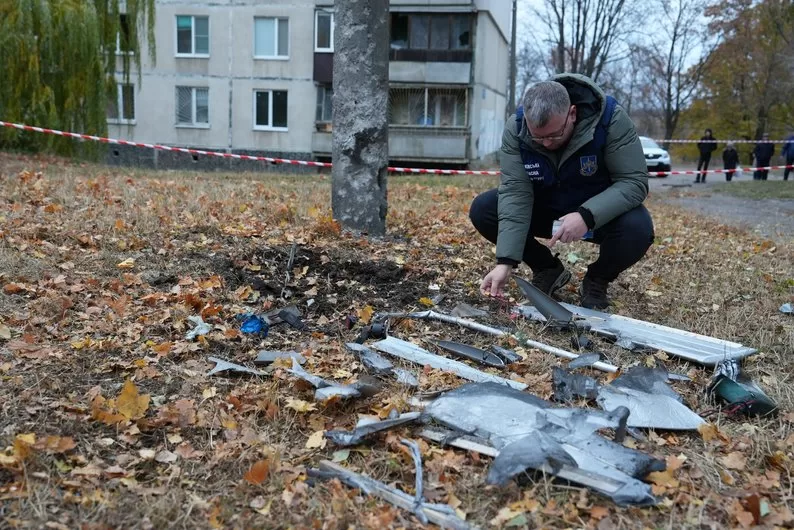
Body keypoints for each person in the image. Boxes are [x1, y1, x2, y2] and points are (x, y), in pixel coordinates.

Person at [468, 74, 653, 310]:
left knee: (638, 227)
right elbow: (515, 192)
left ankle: (597, 280)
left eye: (554, 135)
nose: (546, 143)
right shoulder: (517, 128)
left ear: (572, 114)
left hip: (598, 215)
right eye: (538, 137)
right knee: (484, 209)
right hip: (546, 209)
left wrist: (586, 216)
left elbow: (633, 182)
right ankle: (547, 269)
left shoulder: (610, 119)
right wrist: (505, 261)